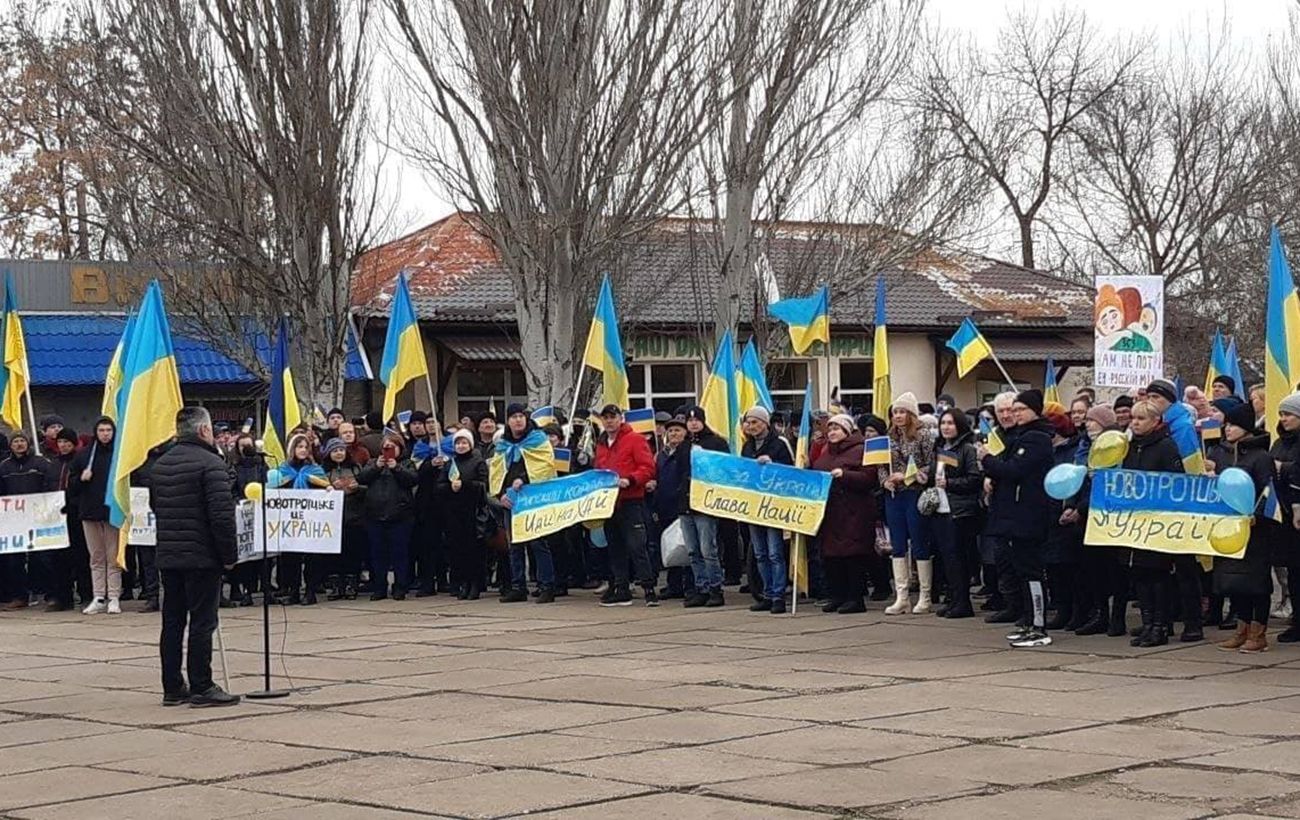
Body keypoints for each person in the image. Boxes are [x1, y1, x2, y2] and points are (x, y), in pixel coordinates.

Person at [150, 406, 239, 707]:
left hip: (170, 553)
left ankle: (172, 686)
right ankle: (202, 684)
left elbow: (155, 507)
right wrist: (229, 555)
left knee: (173, 621)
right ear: (203, 430)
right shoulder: (211, 464)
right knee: (203, 621)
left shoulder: (161, 465)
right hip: (202, 556)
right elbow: (222, 516)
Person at [979, 389, 1055, 648]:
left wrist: (986, 459)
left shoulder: (1036, 438)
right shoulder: (1020, 436)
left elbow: (1014, 470)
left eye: (1021, 409)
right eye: (1014, 409)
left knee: (1032, 571)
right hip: (1013, 514)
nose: (1015, 414)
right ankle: (1027, 620)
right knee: (1020, 569)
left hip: (1027, 515)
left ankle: (1038, 625)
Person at [1208, 402, 1276, 652]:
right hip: (1229, 528)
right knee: (1235, 581)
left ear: (1246, 427)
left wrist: (1258, 516)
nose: (1227, 429)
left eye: (1233, 424)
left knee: (1256, 582)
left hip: (1256, 529)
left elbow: (1269, 492)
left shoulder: (1260, 457)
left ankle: (1259, 632)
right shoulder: (1220, 454)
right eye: (1226, 424)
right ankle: (1242, 628)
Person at [1119, 400, 1183, 647]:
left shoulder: (1166, 446)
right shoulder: (1129, 446)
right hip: (1133, 521)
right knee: (1139, 575)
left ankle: (1160, 625)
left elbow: (1176, 483)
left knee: (1157, 575)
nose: (1134, 422)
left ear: (1155, 422)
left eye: (1141, 419)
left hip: (1157, 522)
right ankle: (1147, 623)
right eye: (1133, 418)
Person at [1068, 404, 1130, 638]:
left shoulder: (1116, 444)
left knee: (1114, 570)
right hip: (1086, 516)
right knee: (1093, 570)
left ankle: (1117, 618)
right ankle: (1100, 614)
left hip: (1109, 515)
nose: (1087, 424)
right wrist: (1073, 506)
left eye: (1092, 420)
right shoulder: (1083, 446)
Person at [812, 413, 877, 614]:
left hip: (854, 511)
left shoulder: (861, 450)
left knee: (852, 556)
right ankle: (837, 595)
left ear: (847, 431)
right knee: (832, 557)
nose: (832, 432)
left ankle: (855, 598)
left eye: (836, 428)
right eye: (830, 429)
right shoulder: (826, 452)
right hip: (832, 512)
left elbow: (869, 478)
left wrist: (845, 475)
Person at [594, 404, 658, 607]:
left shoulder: (635, 440)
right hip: (609, 503)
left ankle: (649, 589)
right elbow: (598, 470)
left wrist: (630, 480)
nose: (609, 421)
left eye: (613, 417)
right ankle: (621, 588)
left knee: (637, 546)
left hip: (631, 500)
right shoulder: (602, 443)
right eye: (605, 418)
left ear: (620, 418)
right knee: (614, 547)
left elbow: (648, 468)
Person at [879, 392, 936, 616]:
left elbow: (930, 465)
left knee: (919, 542)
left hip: (915, 493)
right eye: (895, 412)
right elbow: (881, 463)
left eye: (902, 412)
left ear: (911, 413)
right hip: (894, 496)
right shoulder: (888, 437)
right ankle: (901, 597)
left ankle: (925, 595)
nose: (898, 416)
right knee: (898, 545)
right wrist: (885, 480)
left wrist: (907, 476)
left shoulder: (924, 435)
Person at [266, 433, 331, 604]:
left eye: (305, 447)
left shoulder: (316, 471)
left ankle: (310, 592)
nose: (302, 450)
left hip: (311, 522)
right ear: (292, 449)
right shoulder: (282, 472)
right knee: (290, 558)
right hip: (290, 523)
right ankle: (293, 591)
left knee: (312, 558)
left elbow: (324, 490)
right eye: (299, 446)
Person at [741, 405, 793, 614]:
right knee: (760, 553)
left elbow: (793, 471)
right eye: (748, 422)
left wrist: (773, 464)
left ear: (765, 423)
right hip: (754, 505)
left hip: (773, 506)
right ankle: (767, 593)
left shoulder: (780, 443)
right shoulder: (747, 446)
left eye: (755, 422)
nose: (751, 426)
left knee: (774, 553)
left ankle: (778, 595)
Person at [66, 419, 121, 615]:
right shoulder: (84, 456)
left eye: (108, 430)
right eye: (101, 430)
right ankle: (99, 596)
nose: (105, 433)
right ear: (95, 432)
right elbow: (71, 486)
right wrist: (82, 479)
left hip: (112, 512)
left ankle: (114, 596)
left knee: (113, 556)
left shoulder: (119, 454)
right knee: (96, 556)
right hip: (89, 511)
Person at [678, 406, 730, 608]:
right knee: (693, 550)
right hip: (686, 502)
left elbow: (723, 471)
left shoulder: (716, 443)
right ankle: (702, 588)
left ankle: (716, 589)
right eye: (689, 420)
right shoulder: (684, 445)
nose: (693, 423)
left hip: (705, 503)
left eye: (696, 420)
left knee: (708, 549)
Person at [933, 409, 981, 619]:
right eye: (943, 423)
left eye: (950, 423)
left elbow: (974, 478)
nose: (946, 427)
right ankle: (954, 598)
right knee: (947, 558)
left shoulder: (967, 449)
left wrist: (950, 483)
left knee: (958, 557)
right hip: (941, 508)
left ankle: (963, 602)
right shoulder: (941, 448)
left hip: (960, 510)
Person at [0, 432, 56, 610]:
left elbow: (51, 484)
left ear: (28, 443)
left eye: (22, 441)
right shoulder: (4, 467)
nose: (19, 444)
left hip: (39, 518)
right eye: (15, 441)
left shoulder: (41, 463)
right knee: (14, 560)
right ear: (10, 445)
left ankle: (51, 595)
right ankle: (19, 596)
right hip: (14, 521)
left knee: (44, 558)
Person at [359, 434, 418, 600]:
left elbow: (412, 480)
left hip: (400, 516)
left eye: (393, 447)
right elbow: (362, 479)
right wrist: (376, 467)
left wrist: (396, 468)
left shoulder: (406, 463)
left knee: (400, 554)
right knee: (378, 554)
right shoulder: (372, 463)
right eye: (386, 447)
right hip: (375, 515)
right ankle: (379, 587)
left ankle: (400, 586)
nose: (389, 450)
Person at [1043, 410, 1086, 631]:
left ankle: (1077, 610)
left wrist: (1072, 507)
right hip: (1048, 514)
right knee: (1054, 568)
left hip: (1067, 515)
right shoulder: (1047, 451)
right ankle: (1062, 608)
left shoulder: (1073, 451)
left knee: (1070, 567)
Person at [436, 428, 488, 600]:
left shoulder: (478, 462)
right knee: (457, 551)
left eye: (464, 442)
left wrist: (464, 485)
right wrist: (449, 487)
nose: (461, 445)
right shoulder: (451, 463)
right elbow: (440, 485)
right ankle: (462, 583)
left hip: (472, 512)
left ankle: (475, 584)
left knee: (473, 550)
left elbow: (483, 485)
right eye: (458, 443)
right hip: (454, 512)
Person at [48, 427, 91, 611]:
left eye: (66, 442)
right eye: (60, 442)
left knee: (81, 556)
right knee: (59, 558)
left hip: (75, 514)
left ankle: (86, 594)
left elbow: (81, 487)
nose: (63, 445)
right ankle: (62, 597)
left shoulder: (80, 460)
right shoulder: (53, 464)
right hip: (56, 517)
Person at [652, 416, 691, 599]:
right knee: (671, 546)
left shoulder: (689, 452)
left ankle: (690, 585)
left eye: (678, 430)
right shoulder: (661, 455)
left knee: (687, 546)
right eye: (671, 431)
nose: (674, 434)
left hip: (682, 505)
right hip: (664, 506)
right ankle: (673, 585)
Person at [323, 438, 365, 600]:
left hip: (353, 517)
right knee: (334, 555)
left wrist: (357, 488)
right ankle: (335, 586)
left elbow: (366, 486)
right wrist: (331, 488)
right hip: (332, 519)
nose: (339, 453)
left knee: (352, 552)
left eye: (341, 450)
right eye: (335, 451)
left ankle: (351, 585)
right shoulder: (324, 470)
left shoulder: (355, 468)